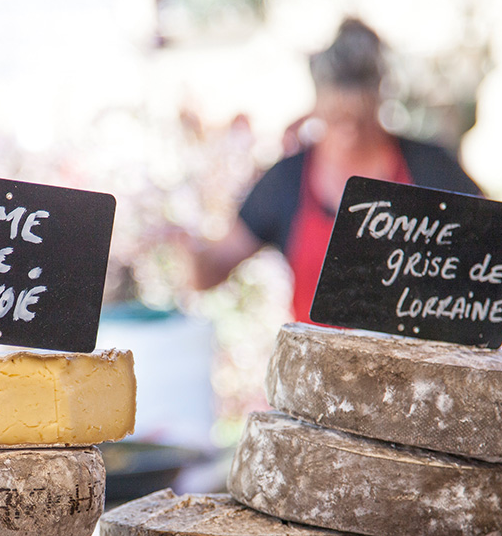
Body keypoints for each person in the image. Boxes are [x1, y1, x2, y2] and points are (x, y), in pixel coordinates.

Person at [184, 17, 480, 322]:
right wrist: (187, 246)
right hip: (316, 366)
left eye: (359, 114)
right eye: (337, 115)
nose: (349, 126)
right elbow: (212, 270)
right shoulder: (287, 180)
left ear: (380, 97)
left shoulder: (429, 168)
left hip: (414, 365)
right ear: (317, 103)